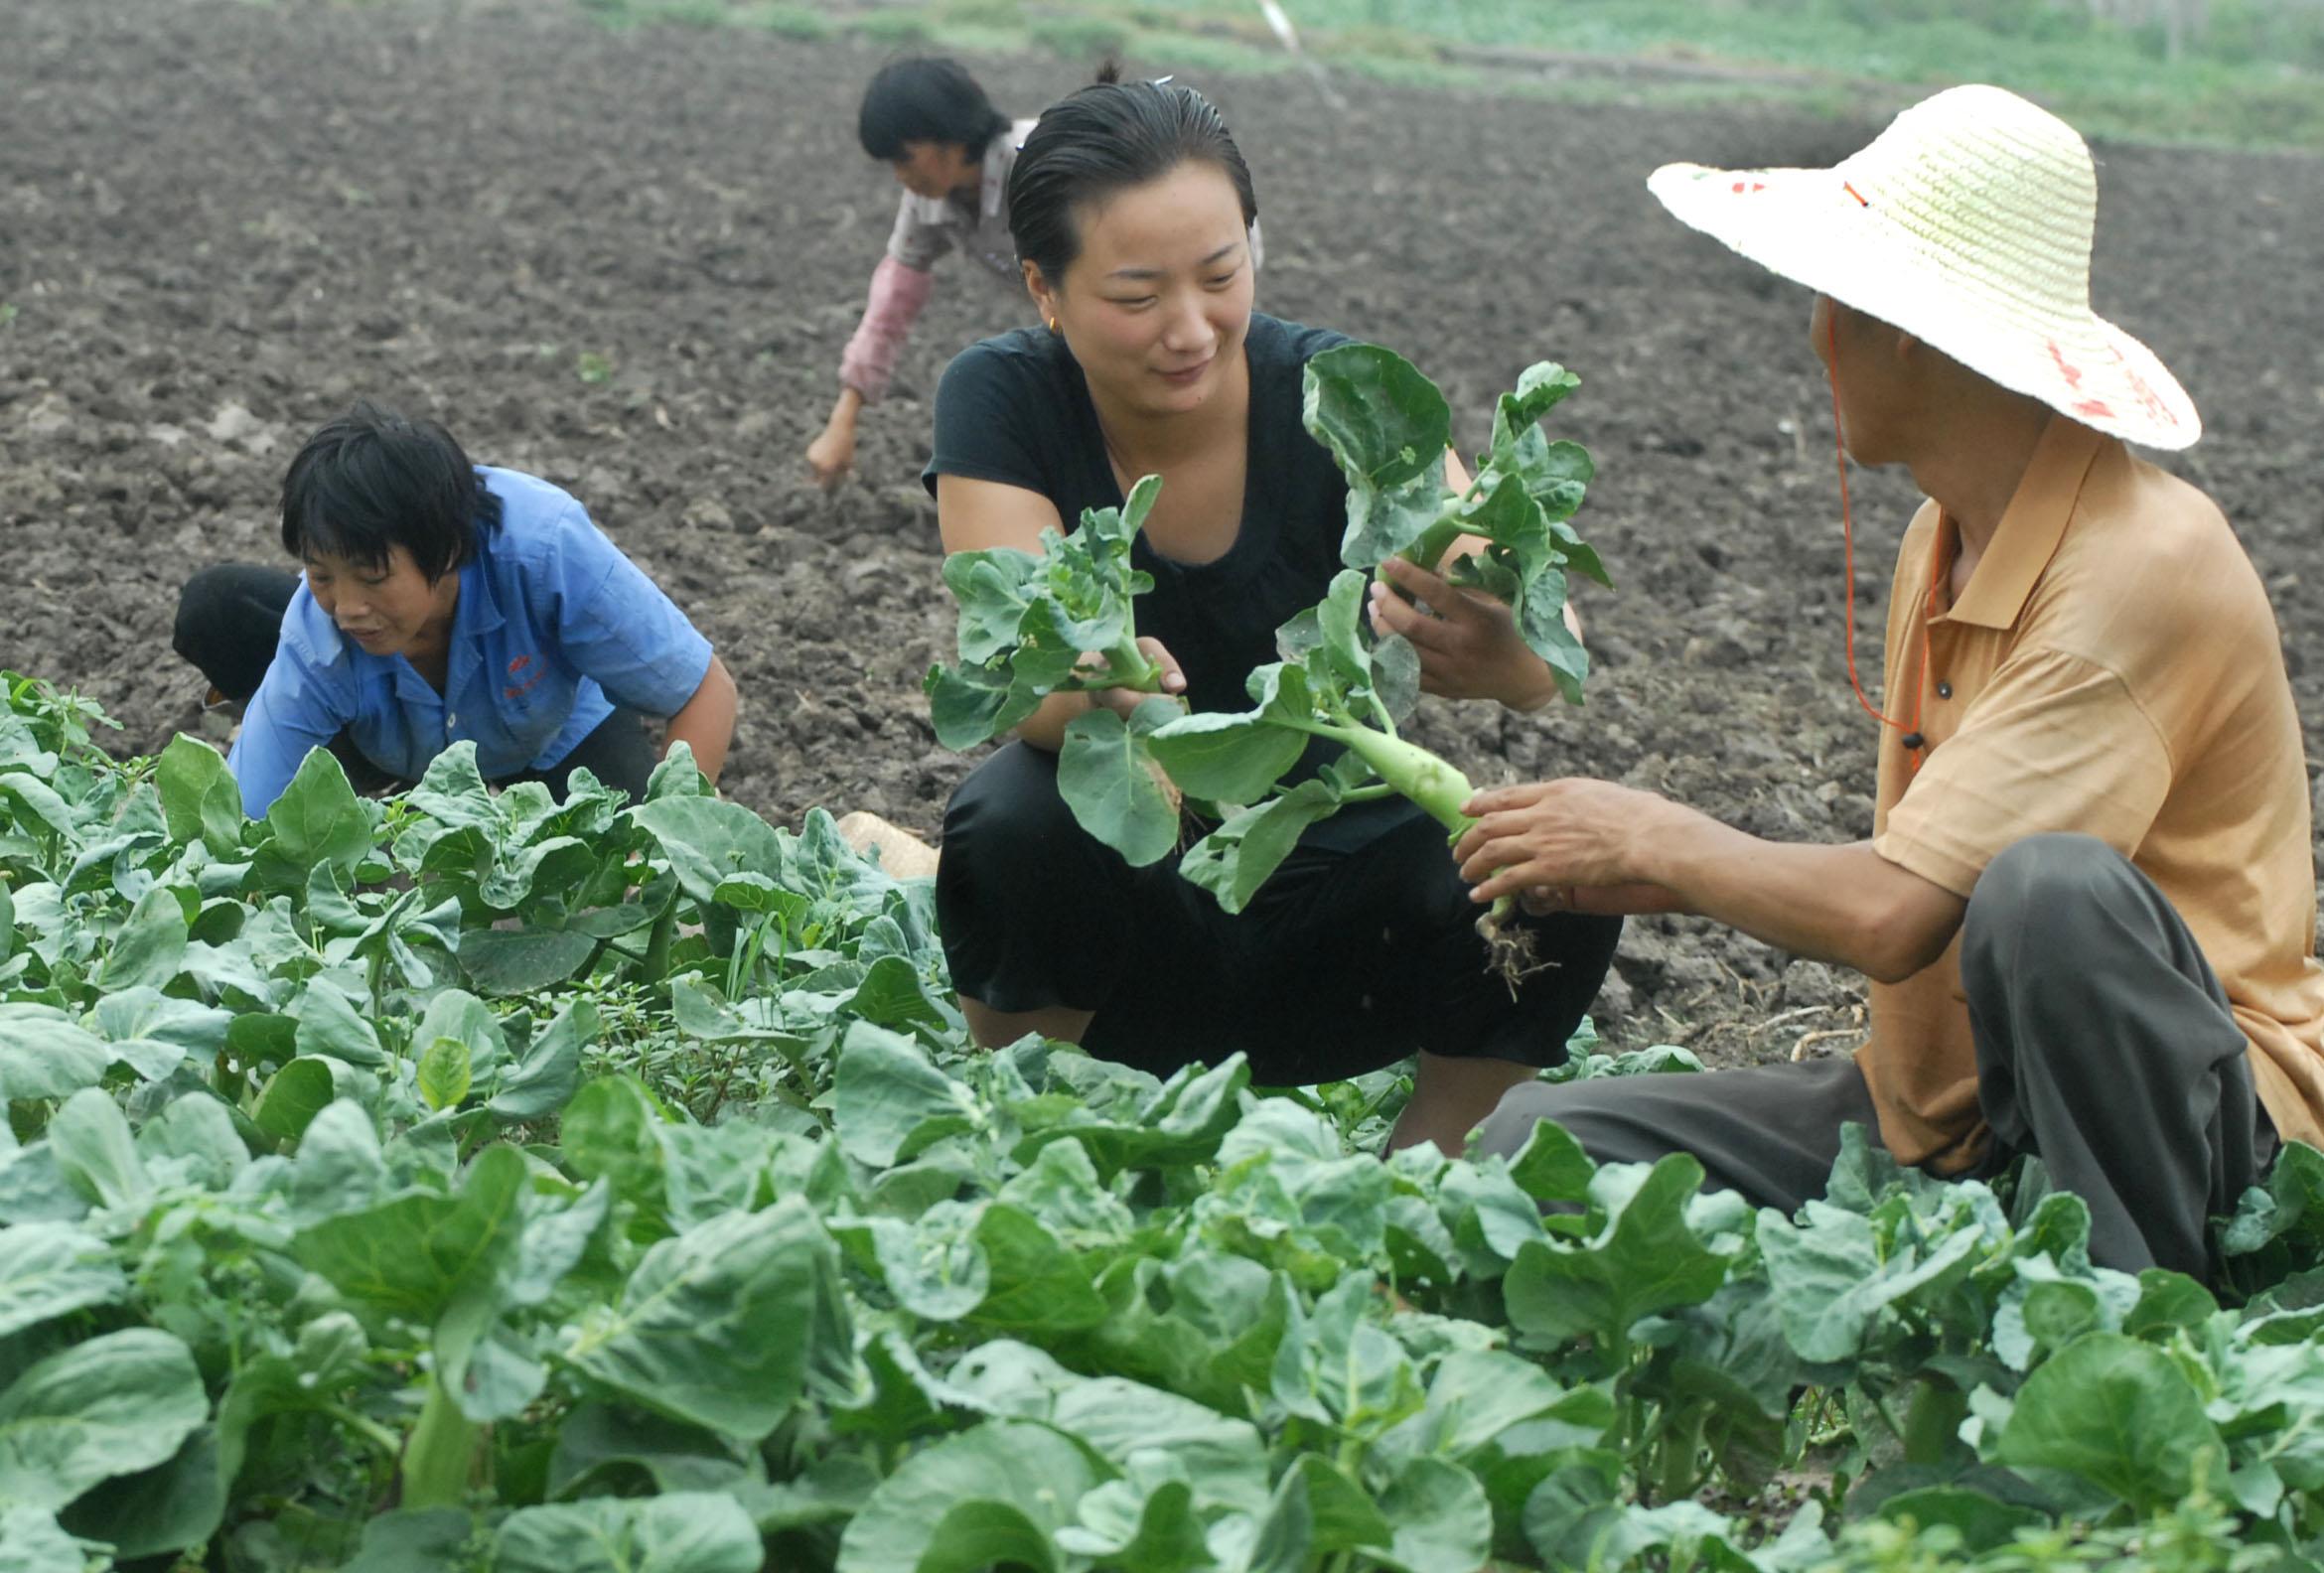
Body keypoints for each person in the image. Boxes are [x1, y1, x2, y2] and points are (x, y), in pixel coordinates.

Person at [1457, 85, 2321, 1280]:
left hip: (2202, 1138)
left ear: (1901, 327)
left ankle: (2128, 1319)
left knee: (2052, 898)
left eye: (1833, 301)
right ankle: (1990, 1264)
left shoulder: (2142, 566)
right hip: (1950, 1118)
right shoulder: (1945, 528)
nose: (1816, 333)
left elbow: (1891, 916)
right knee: (1535, 1151)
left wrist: (1650, 843)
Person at [926, 68, 1621, 1154]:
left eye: (1221, 273)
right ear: (1043, 290)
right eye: (1137, 295)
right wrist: (1100, 686)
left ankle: (1426, 1182)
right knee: (1016, 818)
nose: (1192, 328)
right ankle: (1031, 1135)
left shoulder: (1343, 394)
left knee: (1557, 866)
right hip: (1133, 913)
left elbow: (1547, 642)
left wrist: (1506, 651)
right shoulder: (1002, 400)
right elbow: (1023, 676)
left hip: (1338, 920)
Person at [173, 403, 736, 817]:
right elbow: (244, 824)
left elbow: (702, 689)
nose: (346, 608)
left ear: (446, 554)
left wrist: (666, 839)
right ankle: (377, 800)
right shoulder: (315, 632)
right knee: (222, 607)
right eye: (321, 576)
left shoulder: (544, 547)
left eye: (373, 577)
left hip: (555, 730)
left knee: (623, 869)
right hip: (386, 746)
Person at [804, 58, 1035, 489]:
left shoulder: (1039, 161)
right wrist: (843, 422)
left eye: (906, 158)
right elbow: (892, 302)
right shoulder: (929, 200)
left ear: (950, 135)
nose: (901, 176)